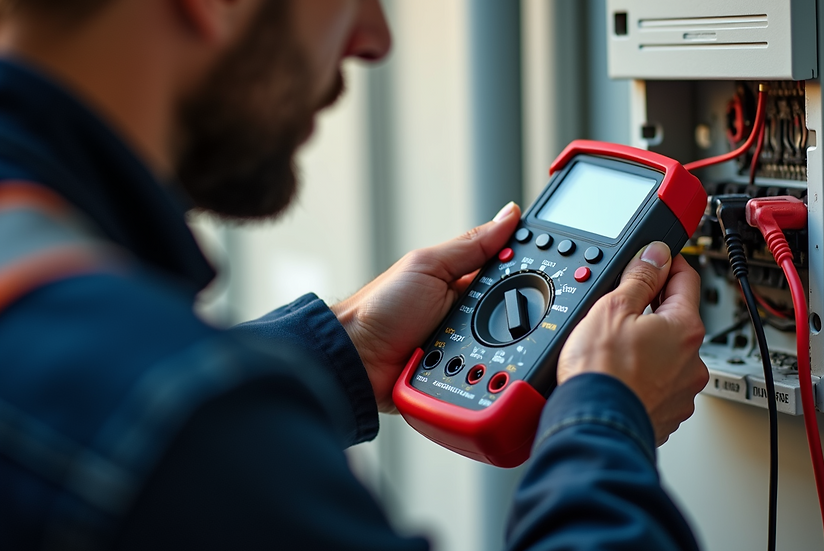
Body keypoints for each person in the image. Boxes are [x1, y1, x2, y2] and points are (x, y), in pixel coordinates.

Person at [0, 0, 709, 549]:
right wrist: (604, 417)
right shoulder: (189, 427)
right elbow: (162, 421)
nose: (375, 39)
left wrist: (345, 348)